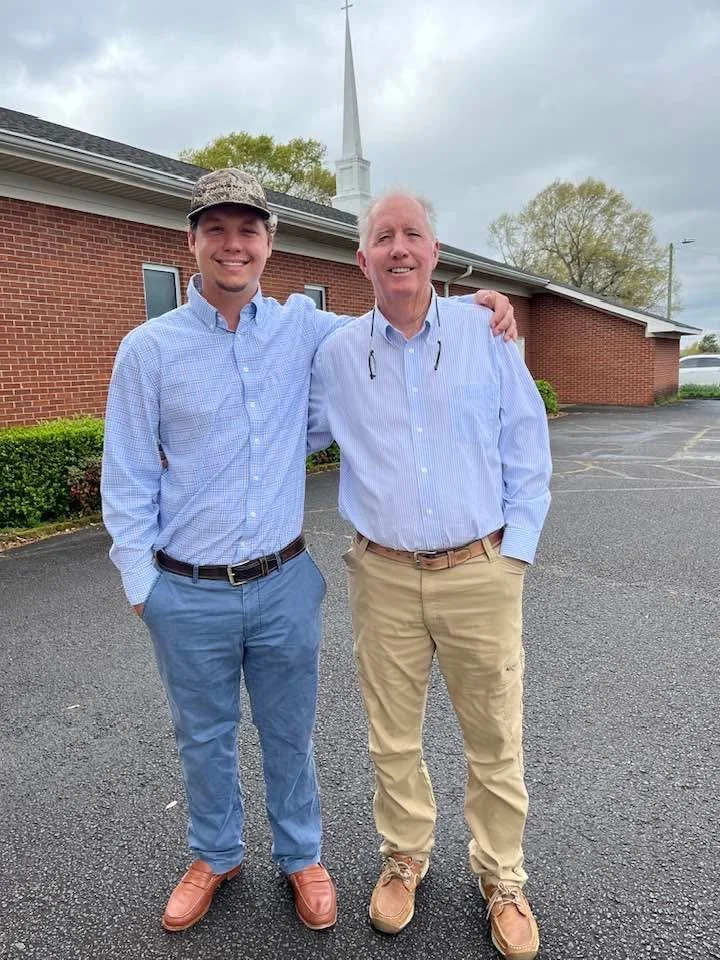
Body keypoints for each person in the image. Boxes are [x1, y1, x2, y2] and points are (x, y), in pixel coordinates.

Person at [101, 168, 517, 935]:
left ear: (269, 243)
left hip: (284, 580)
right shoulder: (148, 350)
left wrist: (478, 307)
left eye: (248, 230)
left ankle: (301, 857)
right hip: (185, 588)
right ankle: (215, 855)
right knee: (203, 737)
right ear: (192, 240)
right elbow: (126, 473)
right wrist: (141, 585)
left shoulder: (304, 330)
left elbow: (393, 317)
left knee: (290, 735)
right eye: (217, 229)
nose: (233, 244)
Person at [307, 192, 552, 959]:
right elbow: (279, 416)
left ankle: (502, 876)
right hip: (381, 575)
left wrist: (514, 558)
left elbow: (526, 444)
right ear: (363, 259)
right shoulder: (338, 354)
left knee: (495, 736)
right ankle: (404, 857)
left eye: (412, 234)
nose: (399, 248)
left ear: (434, 252)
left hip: (480, 569)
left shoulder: (486, 332)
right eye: (383, 237)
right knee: (391, 736)